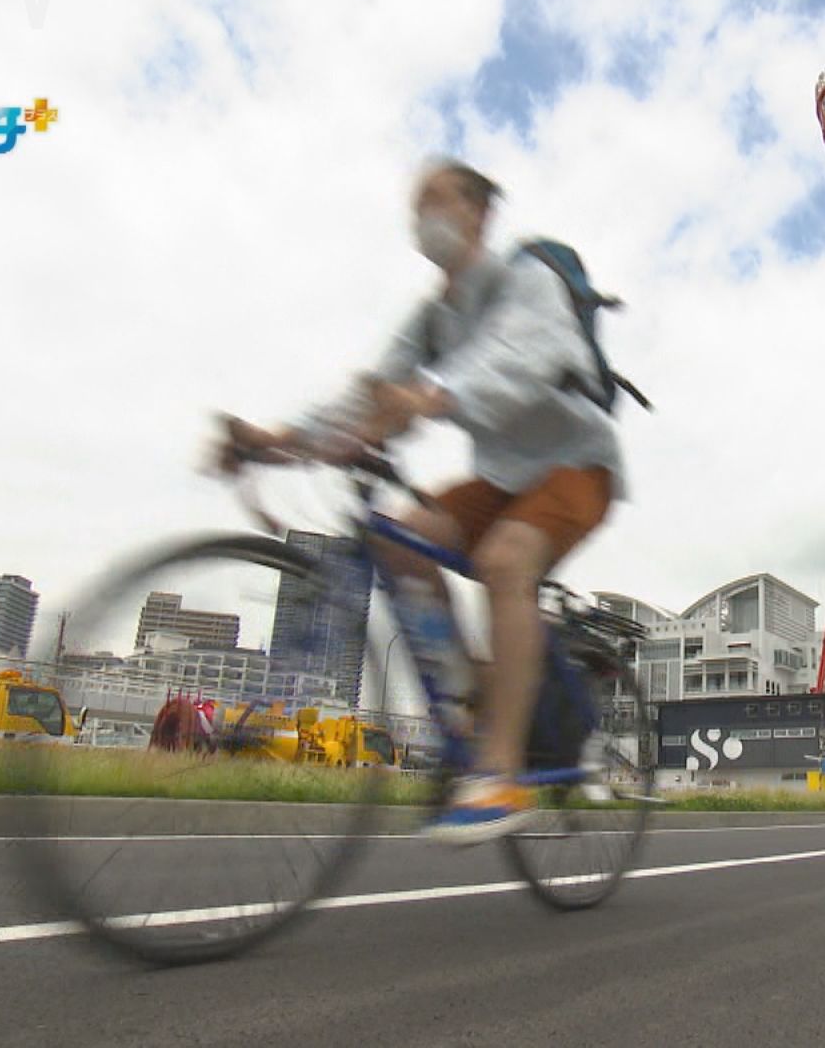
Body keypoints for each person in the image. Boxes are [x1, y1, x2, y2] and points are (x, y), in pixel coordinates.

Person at [217, 158, 624, 844]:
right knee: (398, 539)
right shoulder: (433, 319)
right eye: (417, 208)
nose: (424, 218)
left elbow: (522, 361)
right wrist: (274, 441)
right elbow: (365, 396)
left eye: (436, 201)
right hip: (500, 479)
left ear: (479, 212)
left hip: (576, 464)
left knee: (505, 560)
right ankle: (471, 704)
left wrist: (432, 397)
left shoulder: (528, 279)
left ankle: (500, 772)